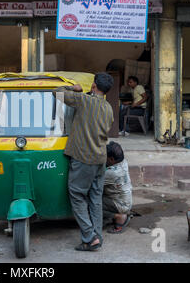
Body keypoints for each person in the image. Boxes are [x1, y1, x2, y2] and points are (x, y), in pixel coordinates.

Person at [54, 72, 114, 252]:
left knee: (77, 195)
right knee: (95, 198)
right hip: (100, 158)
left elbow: (57, 92)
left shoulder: (83, 100)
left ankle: (89, 236)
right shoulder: (109, 108)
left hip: (84, 158)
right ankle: (97, 236)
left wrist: (74, 88)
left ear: (94, 86)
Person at [103, 141, 132, 234]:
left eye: (105, 157)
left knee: (91, 201)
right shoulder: (123, 162)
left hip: (120, 204)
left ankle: (118, 217)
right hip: (125, 201)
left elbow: (93, 183)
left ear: (111, 159)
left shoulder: (112, 173)